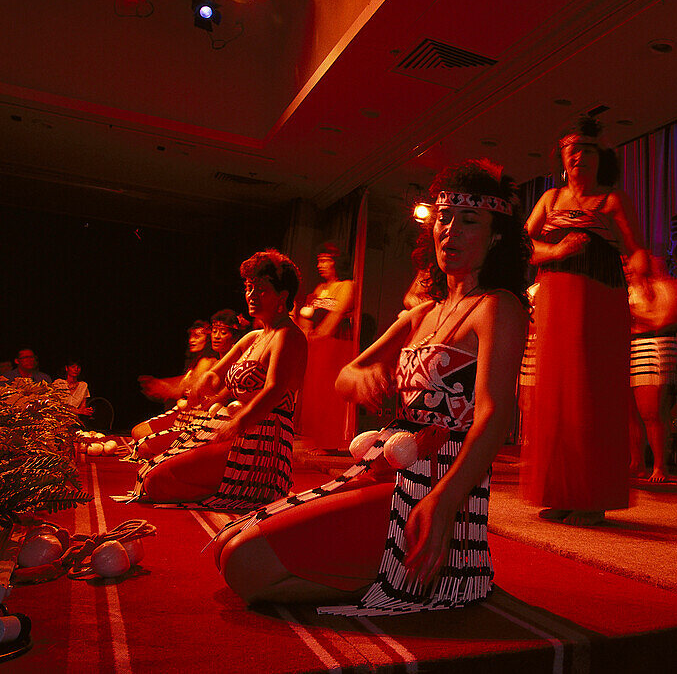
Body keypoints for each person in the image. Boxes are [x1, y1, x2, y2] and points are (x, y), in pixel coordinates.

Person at [208, 160, 528, 613]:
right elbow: (346, 374)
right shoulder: (422, 314)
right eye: (444, 218)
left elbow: (495, 415)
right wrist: (362, 376)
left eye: (469, 221)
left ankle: (404, 573)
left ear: (496, 237)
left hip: (437, 484)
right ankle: (367, 566)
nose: (449, 231)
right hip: (387, 466)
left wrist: (444, 500)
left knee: (244, 564)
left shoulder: (498, 308)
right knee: (227, 545)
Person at [522, 115, 651, 526]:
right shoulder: (549, 199)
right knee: (557, 392)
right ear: (561, 156)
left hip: (600, 299)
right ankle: (558, 491)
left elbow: (636, 250)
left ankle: (593, 496)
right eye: (570, 149)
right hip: (556, 298)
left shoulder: (612, 200)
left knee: (592, 390)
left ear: (600, 157)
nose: (578, 155)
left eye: (587, 149)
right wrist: (556, 253)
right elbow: (522, 245)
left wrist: (646, 278)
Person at [125, 251, 308, 509]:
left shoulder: (288, 336)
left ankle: (253, 487)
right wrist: (200, 385)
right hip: (234, 429)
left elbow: (275, 390)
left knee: (156, 481)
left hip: (262, 441)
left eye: (261, 289)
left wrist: (237, 424)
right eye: (248, 288)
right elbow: (214, 373)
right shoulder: (253, 337)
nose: (251, 296)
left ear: (283, 296)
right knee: (149, 469)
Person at [132, 309, 246, 459]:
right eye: (215, 331)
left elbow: (204, 399)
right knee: (139, 435)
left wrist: (173, 391)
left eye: (223, 332)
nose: (217, 337)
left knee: (144, 446)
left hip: (210, 423)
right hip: (194, 417)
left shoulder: (231, 364)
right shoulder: (213, 362)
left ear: (235, 337)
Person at [627, 255, 677, 483]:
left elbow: (666, 320)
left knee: (652, 412)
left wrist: (638, 317)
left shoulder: (670, 287)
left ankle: (660, 465)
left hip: (656, 345)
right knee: (631, 412)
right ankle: (636, 462)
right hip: (632, 346)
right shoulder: (633, 288)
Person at [295, 242, 356, 452]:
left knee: (331, 392)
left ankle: (332, 442)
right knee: (315, 390)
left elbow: (336, 316)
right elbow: (306, 315)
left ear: (337, 262)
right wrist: (307, 335)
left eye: (325, 261)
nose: (320, 265)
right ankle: (317, 438)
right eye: (318, 261)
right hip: (316, 345)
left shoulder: (348, 285)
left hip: (336, 345)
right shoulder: (320, 288)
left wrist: (320, 336)